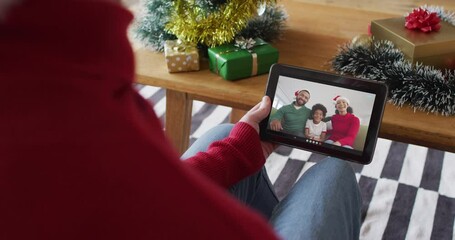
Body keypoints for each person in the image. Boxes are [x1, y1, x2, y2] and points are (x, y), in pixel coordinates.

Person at [0, 1, 361, 239]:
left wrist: (237, 152)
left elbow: (136, 197)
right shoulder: (64, 119)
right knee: (334, 174)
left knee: (227, 133)